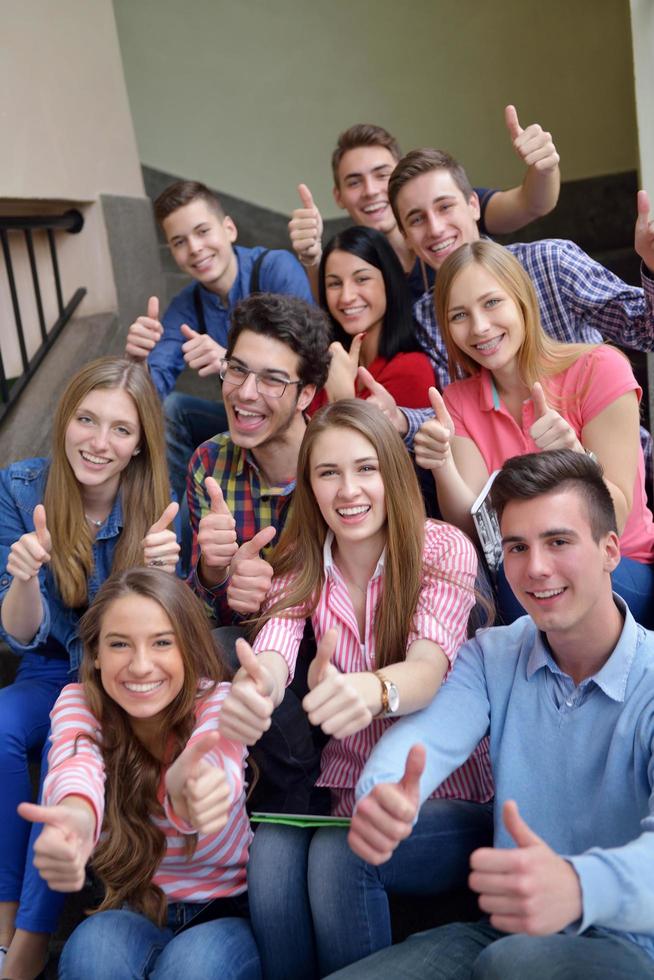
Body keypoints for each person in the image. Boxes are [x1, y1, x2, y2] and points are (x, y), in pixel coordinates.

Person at [327, 450, 654, 980]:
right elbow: (427, 740)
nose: (536, 568)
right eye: (518, 548)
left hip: (631, 944)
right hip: (507, 933)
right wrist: (385, 792)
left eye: (558, 542)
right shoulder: (492, 654)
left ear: (610, 549)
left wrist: (576, 885)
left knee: (513, 962)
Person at [219, 400, 491, 978]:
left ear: (391, 470)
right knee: (269, 859)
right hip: (343, 790)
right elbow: (273, 650)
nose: (348, 490)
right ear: (310, 486)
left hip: (443, 794)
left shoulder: (440, 547)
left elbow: (428, 667)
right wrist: (256, 686)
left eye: (365, 468)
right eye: (328, 473)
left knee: (339, 858)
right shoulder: (298, 568)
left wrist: (373, 690)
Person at [0, 357, 177, 980]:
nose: (100, 443)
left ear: (138, 446)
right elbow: (18, 636)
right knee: (0, 728)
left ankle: (30, 940)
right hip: (50, 665)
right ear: (65, 419)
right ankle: (4, 921)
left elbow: (171, 634)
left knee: (65, 751)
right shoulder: (21, 489)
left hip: (120, 674)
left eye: (121, 430)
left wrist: (168, 576)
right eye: (87, 420)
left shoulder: (158, 499)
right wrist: (23, 578)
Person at [20, 568, 260, 980]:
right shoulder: (79, 703)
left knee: (191, 970)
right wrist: (77, 819)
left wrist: (198, 790)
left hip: (222, 913)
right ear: (95, 654)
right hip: (130, 909)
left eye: (162, 642)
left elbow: (218, 759)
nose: (141, 665)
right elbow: (75, 769)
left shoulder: (218, 701)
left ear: (187, 647)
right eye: (119, 645)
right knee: (91, 953)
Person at [366, 146, 654, 480]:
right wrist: (401, 420)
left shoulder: (551, 262)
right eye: (416, 219)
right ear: (405, 236)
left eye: (445, 206)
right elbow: (458, 413)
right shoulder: (427, 315)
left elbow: (645, 331)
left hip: (622, 468)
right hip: (520, 493)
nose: (435, 228)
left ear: (474, 205)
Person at [413, 239, 654, 626]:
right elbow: (474, 531)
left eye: (492, 303)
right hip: (524, 573)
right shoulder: (456, 400)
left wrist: (576, 458)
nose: (479, 327)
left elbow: (618, 519)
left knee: (523, 577)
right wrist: (442, 465)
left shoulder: (600, 368)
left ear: (522, 300)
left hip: (620, 566)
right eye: (459, 315)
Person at [188, 292, 332, 813]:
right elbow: (204, 615)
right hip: (259, 673)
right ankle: (297, 788)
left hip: (340, 658)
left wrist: (275, 589)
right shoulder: (210, 463)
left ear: (305, 394)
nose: (247, 393)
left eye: (272, 379)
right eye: (237, 371)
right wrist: (214, 571)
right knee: (216, 646)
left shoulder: (342, 461)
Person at [124, 179, 314, 505]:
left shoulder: (275, 269)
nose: (195, 248)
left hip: (296, 414)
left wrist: (231, 363)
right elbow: (155, 380)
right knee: (172, 410)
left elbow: (308, 360)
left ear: (229, 228)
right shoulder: (188, 304)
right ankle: (166, 515)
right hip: (241, 413)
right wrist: (136, 364)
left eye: (202, 232)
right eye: (180, 241)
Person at [288, 111, 560, 301]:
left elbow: (531, 204)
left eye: (382, 175)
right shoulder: (355, 254)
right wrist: (312, 260)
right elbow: (334, 309)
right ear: (339, 197)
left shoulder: (449, 209)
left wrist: (544, 168)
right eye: (354, 182)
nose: (371, 191)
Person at [310, 226, 434, 411]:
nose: (346, 297)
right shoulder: (327, 363)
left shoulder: (411, 369)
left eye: (361, 279)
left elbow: (365, 440)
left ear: (389, 281)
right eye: (334, 283)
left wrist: (342, 397)